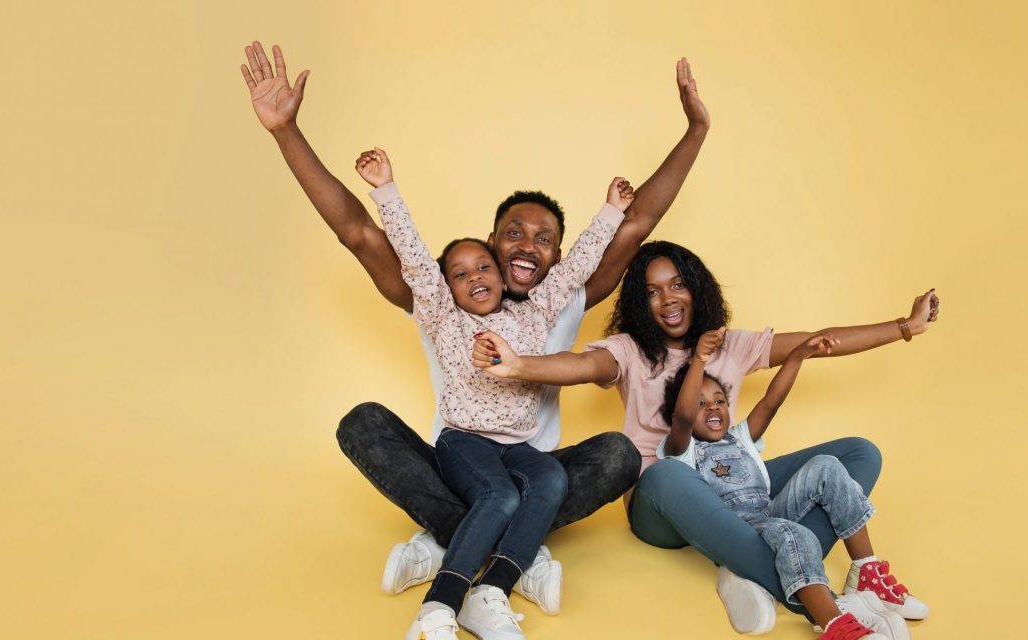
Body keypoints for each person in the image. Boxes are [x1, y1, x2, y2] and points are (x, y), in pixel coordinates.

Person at [238, 42, 711, 613]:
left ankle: (451, 544)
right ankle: (514, 551)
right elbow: (360, 233)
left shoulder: (559, 301)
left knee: (617, 453)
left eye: (544, 239)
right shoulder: (440, 299)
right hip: (457, 469)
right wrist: (286, 132)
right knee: (364, 423)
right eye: (513, 232)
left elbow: (634, 224)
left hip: (534, 472)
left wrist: (695, 132)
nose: (527, 246)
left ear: (562, 257)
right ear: (488, 243)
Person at [473, 241, 940, 634]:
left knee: (858, 454)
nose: (668, 299)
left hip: (738, 489)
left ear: (696, 290)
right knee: (666, 475)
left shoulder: (729, 344)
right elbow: (579, 366)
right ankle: (825, 605)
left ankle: (769, 569)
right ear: (641, 303)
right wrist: (517, 365)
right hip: (662, 502)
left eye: (677, 284)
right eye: (653, 291)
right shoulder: (630, 350)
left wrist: (906, 327)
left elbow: (818, 342)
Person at [355, 148, 632, 640]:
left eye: (482, 268)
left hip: (519, 447)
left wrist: (611, 211)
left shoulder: (534, 312)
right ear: (447, 288)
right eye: (459, 274)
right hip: (464, 442)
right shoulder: (443, 317)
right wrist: (386, 190)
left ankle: (491, 591)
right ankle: (439, 606)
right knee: (500, 496)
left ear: (500, 275)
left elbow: (576, 267)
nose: (474, 278)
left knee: (549, 480)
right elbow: (416, 260)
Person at [655, 328, 928, 640]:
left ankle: (865, 570)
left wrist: (798, 356)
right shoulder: (682, 449)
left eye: (719, 400)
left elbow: (771, 402)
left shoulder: (742, 439)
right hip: (737, 531)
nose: (713, 407)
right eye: (701, 404)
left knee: (827, 464)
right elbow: (684, 418)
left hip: (770, 514)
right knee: (796, 534)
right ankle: (833, 624)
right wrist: (700, 360)